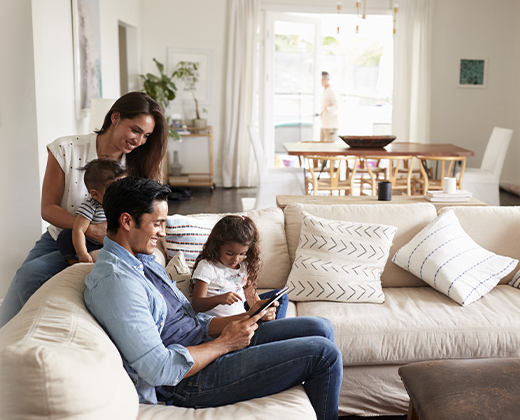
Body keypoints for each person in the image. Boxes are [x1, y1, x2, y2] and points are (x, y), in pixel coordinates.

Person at [83, 178, 342, 419]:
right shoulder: (117, 283)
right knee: (324, 354)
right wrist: (226, 343)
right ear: (127, 221)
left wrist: (243, 318)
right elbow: (158, 369)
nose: (162, 232)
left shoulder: (143, 260)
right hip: (189, 380)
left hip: (207, 343)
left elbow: (189, 320)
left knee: (320, 327)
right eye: (157, 223)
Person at [0, 91, 169, 330]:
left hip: (111, 243)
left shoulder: (139, 163)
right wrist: (89, 229)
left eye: (146, 135)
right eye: (135, 130)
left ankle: (30, 335)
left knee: (32, 275)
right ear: (115, 117)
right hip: (61, 235)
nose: (139, 141)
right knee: (23, 281)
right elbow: (48, 209)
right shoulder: (66, 149)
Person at [187, 215, 288, 318]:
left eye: (242, 254)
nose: (236, 259)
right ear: (216, 246)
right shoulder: (207, 266)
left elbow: (252, 297)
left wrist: (262, 313)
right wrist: (219, 299)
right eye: (230, 254)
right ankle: (272, 330)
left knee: (280, 296)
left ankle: (271, 327)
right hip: (222, 325)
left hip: (243, 318)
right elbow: (196, 305)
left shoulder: (243, 265)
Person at [64, 158, 127, 264]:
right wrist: (82, 253)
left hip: (113, 243)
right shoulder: (91, 207)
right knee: (66, 235)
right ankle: (75, 261)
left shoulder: (123, 203)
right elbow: (79, 229)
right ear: (95, 194)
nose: (121, 193)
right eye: (113, 190)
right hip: (91, 244)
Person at [319, 71, 338, 142]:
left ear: (324, 79)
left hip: (330, 125)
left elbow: (336, 106)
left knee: (329, 148)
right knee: (322, 148)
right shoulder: (324, 90)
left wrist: (326, 110)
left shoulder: (331, 90)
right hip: (324, 124)